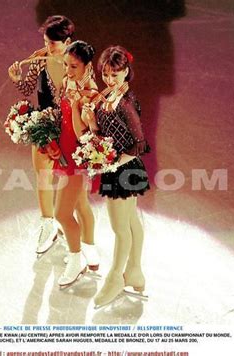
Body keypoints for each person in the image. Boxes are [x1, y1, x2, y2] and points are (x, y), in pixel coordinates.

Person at [83, 45, 150, 307]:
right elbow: (104, 132)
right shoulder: (106, 97)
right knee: (131, 221)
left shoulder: (126, 102)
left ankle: (115, 278)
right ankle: (134, 271)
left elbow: (139, 143)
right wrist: (91, 122)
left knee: (120, 229)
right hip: (115, 167)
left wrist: (111, 165)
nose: (109, 80)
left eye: (115, 74)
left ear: (126, 72)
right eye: (106, 74)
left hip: (125, 169)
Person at [8, 15, 74, 256]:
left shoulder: (76, 62)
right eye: (46, 42)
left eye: (53, 44)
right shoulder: (39, 59)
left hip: (71, 125)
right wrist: (17, 80)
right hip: (44, 123)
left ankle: (67, 221)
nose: (48, 48)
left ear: (67, 41)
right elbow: (28, 89)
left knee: (71, 177)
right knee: (43, 174)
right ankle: (48, 225)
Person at [46, 40, 100, 287]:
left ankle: (76, 260)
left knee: (61, 214)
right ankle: (90, 251)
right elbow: (62, 118)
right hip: (65, 152)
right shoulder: (70, 83)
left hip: (78, 159)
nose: (68, 71)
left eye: (74, 67)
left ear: (88, 67)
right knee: (80, 205)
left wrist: (78, 103)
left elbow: (83, 135)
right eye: (66, 65)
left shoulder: (90, 95)